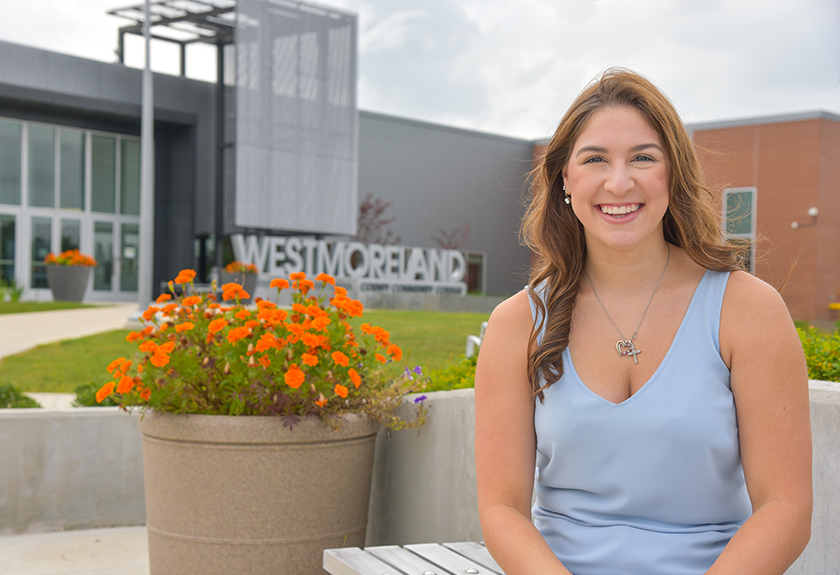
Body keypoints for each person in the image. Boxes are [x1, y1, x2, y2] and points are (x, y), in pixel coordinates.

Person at [474, 68, 812, 575]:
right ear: (566, 178)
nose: (619, 181)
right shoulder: (517, 323)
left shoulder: (748, 310)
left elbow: (786, 506)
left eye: (643, 158)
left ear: (671, 174)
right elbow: (501, 509)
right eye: (595, 159)